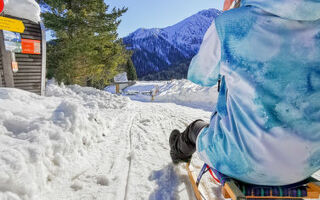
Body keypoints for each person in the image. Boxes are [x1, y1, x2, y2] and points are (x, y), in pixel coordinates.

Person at [169, 0, 320, 186]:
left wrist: (226, 17)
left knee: (196, 128)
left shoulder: (230, 24)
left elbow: (200, 74)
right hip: (308, 163)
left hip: (243, 161)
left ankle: (178, 152)